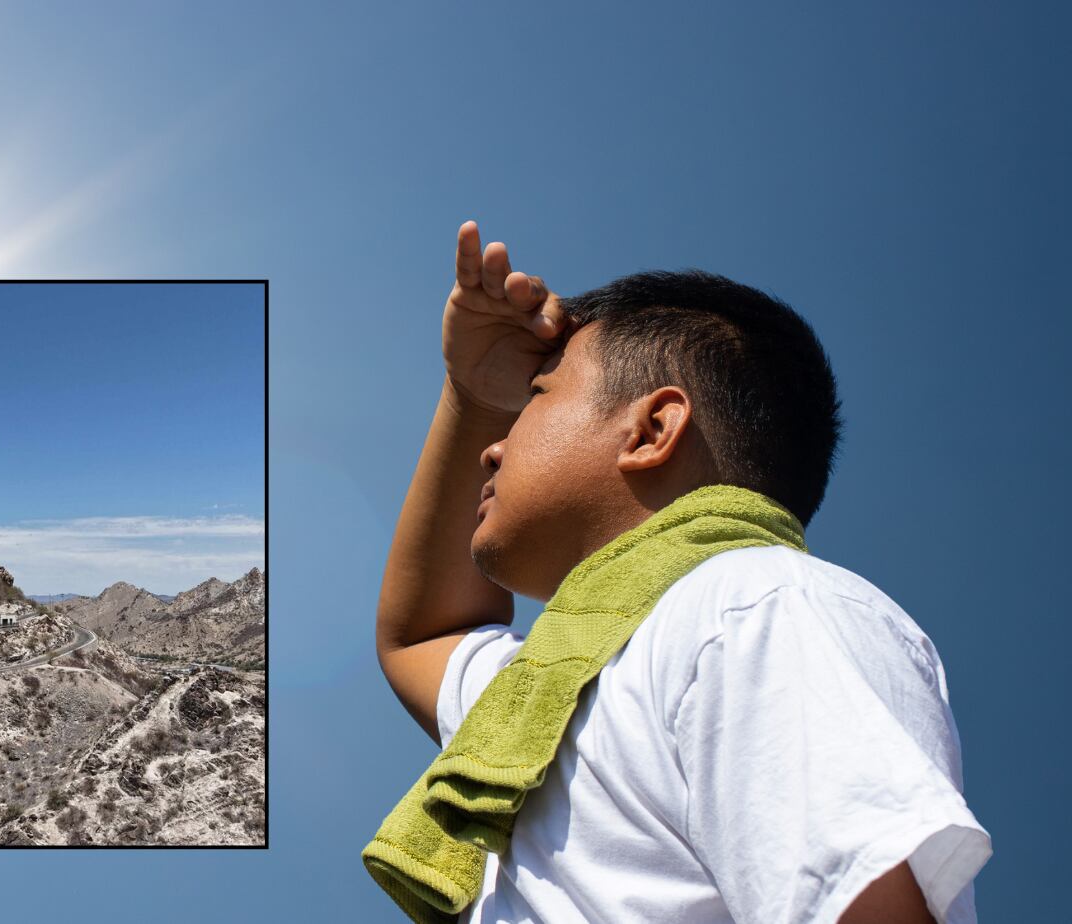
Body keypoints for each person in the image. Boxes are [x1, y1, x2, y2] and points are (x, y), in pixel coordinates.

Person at [367, 221, 990, 923]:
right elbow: (421, 634)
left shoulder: (750, 608)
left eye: (535, 396)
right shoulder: (551, 700)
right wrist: (473, 398)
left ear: (651, 431)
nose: (491, 448)